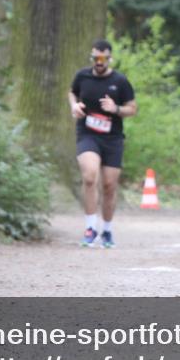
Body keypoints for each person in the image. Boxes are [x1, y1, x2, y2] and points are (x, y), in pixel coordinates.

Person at [68, 40, 137, 248]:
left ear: (109, 59)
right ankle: (90, 228)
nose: (99, 62)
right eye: (95, 58)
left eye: (103, 59)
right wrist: (75, 106)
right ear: (92, 58)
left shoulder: (120, 81)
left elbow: (132, 109)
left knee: (109, 185)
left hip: (112, 139)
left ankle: (106, 230)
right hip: (87, 134)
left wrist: (115, 108)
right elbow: (72, 92)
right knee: (89, 176)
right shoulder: (82, 76)